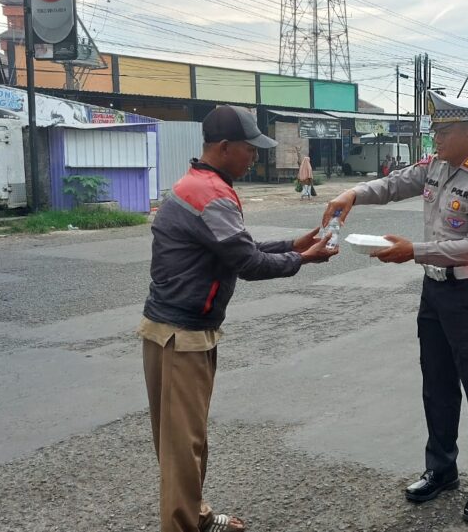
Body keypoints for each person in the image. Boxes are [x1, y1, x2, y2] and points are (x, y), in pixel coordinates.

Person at [139, 105, 339, 532]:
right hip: (180, 337)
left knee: (186, 443)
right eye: (250, 149)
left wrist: (291, 242)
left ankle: (198, 516)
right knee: (182, 448)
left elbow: (233, 247)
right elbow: (246, 262)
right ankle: (185, 524)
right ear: (225, 147)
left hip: (177, 332)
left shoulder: (201, 184)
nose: (255, 157)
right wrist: (301, 257)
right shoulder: (211, 194)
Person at [324, 90, 468, 523]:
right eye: (433, 130)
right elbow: (393, 184)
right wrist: (353, 193)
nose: (435, 138)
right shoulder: (436, 166)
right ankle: (442, 469)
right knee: (437, 382)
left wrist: (414, 250)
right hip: (435, 291)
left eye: (443, 130)